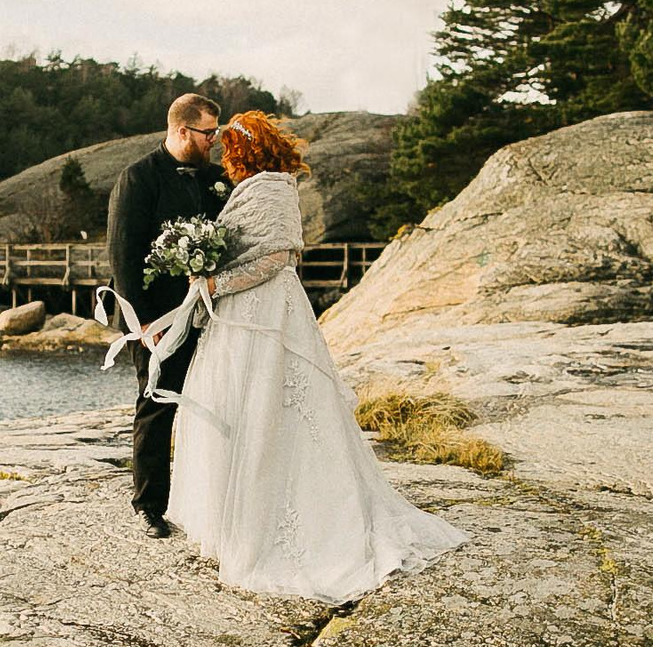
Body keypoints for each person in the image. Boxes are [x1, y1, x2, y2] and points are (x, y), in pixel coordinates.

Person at [167, 111, 465, 602]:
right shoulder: (254, 187)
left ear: (244, 151)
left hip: (266, 314)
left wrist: (218, 282)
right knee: (245, 409)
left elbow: (277, 258)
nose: (223, 157)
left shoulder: (271, 189)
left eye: (229, 149)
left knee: (273, 409)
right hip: (244, 317)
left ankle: (282, 524)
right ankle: (233, 520)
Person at [105, 93, 228, 536]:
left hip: (215, 315)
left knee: (216, 403)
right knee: (156, 404)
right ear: (181, 131)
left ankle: (205, 501)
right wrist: (141, 327)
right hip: (160, 321)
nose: (214, 140)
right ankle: (149, 505)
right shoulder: (137, 179)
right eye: (207, 132)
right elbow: (124, 257)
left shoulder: (218, 178)